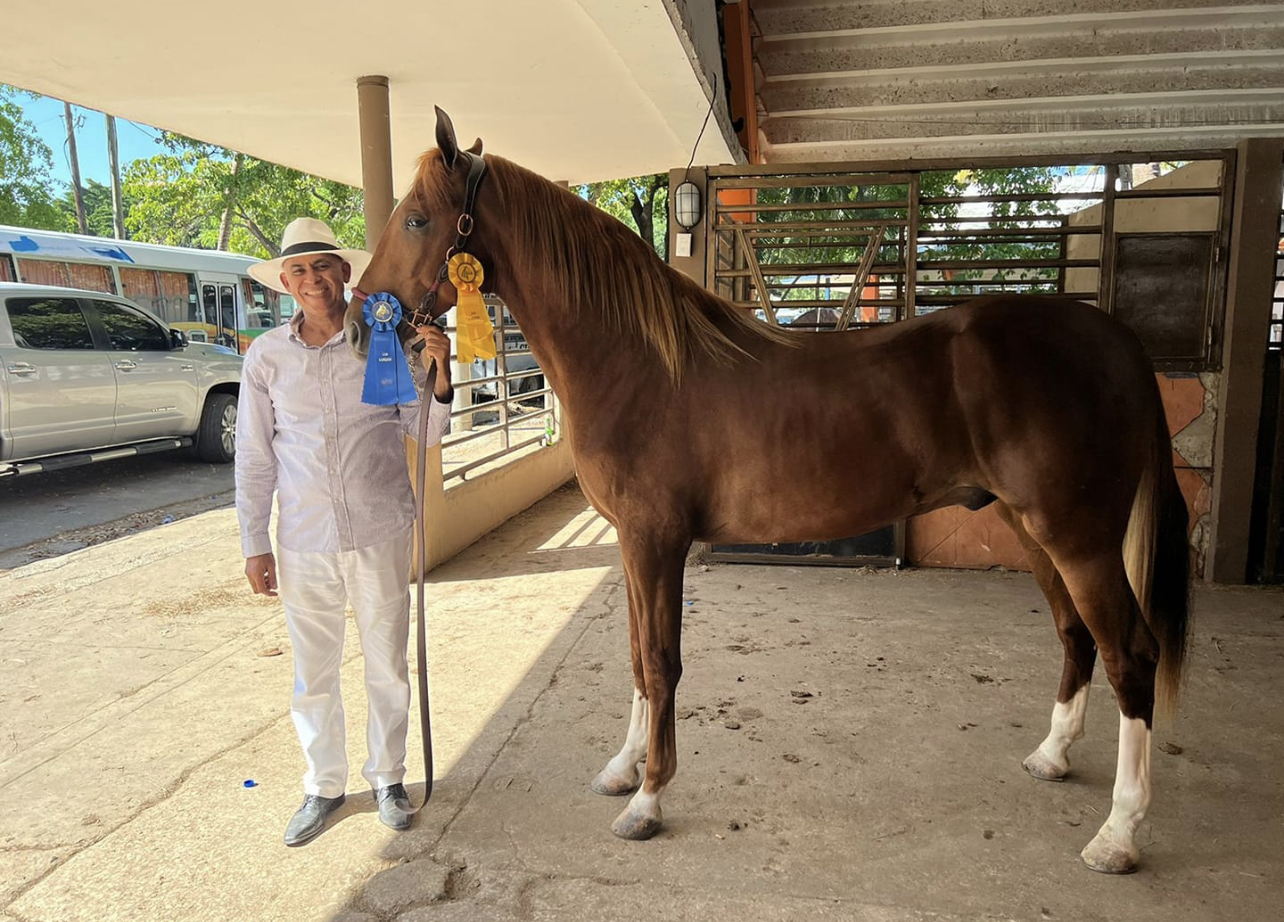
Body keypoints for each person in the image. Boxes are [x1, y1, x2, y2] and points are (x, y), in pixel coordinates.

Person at [236, 217, 453, 846]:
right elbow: (255, 455)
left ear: (345, 273)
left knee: (387, 664)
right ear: (285, 282)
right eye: (300, 271)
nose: (314, 280)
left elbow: (426, 432)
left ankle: (388, 776)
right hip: (302, 541)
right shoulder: (267, 358)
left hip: (380, 530)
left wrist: (439, 372)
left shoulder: (379, 342)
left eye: (324, 267)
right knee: (314, 672)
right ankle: (323, 785)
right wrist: (254, 540)